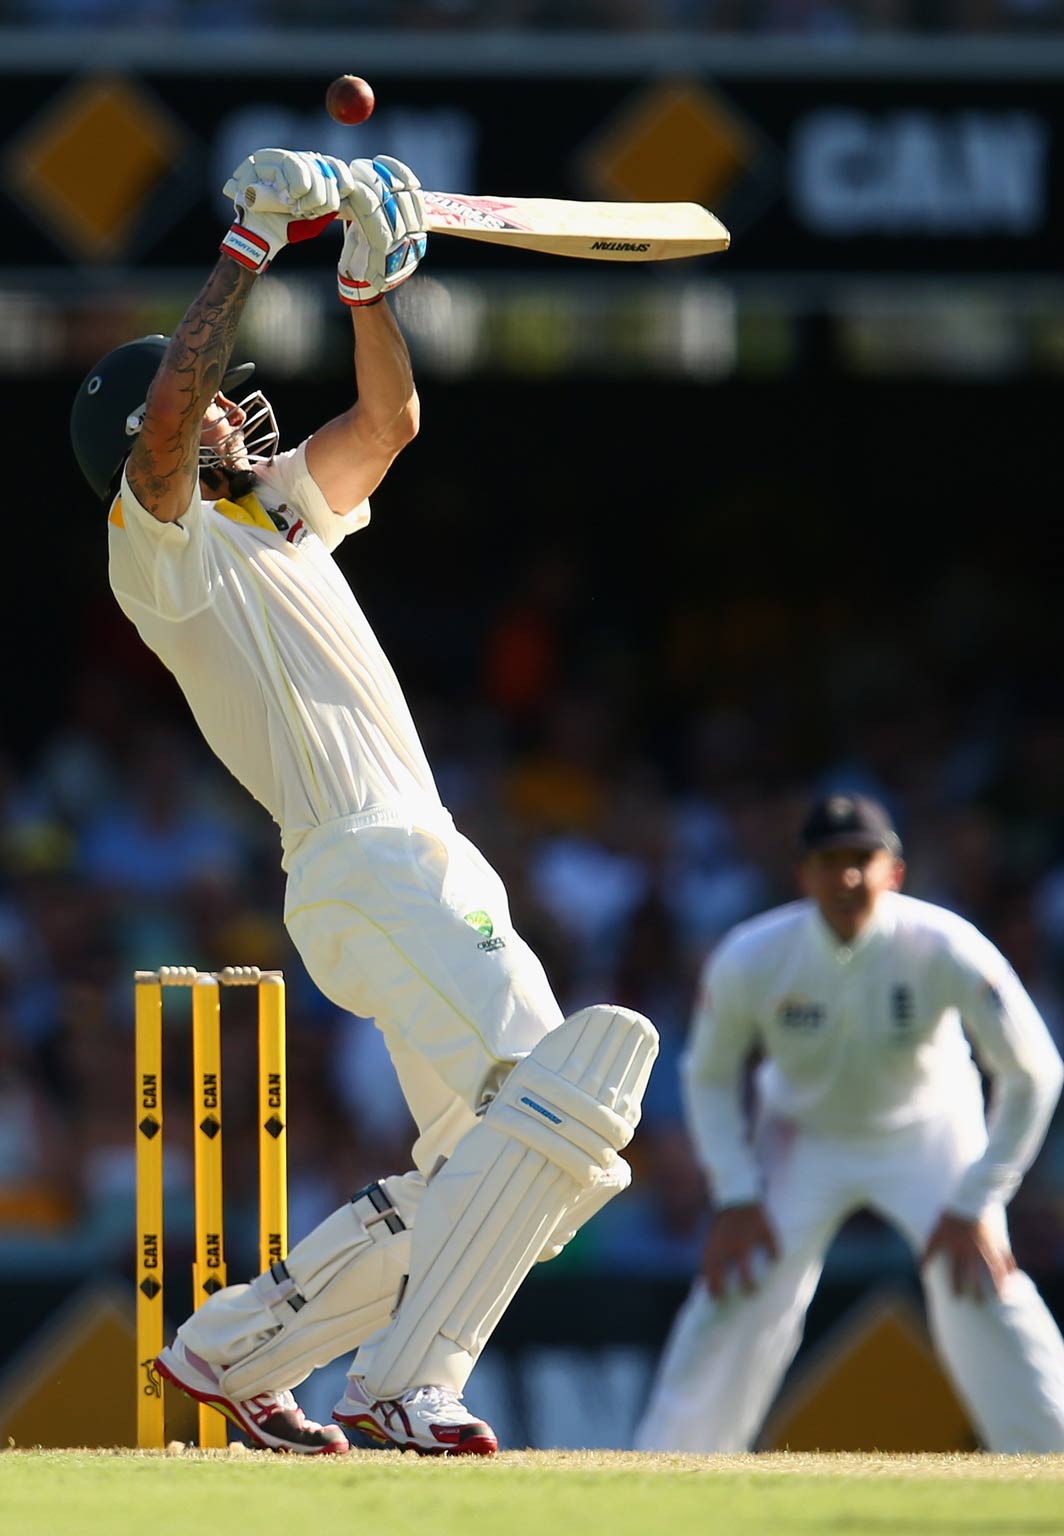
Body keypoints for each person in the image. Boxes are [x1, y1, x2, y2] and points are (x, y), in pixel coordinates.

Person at [70, 148, 658, 1456]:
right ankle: (404, 1382)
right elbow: (169, 425)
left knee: (513, 1180)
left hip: (421, 865)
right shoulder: (154, 547)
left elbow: (386, 425)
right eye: (211, 398)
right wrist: (243, 249)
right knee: (583, 1084)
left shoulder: (279, 512)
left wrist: (364, 285)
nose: (232, 409)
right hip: (362, 863)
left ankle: (234, 1350)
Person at [632, 795, 1064, 1454]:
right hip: (801, 1138)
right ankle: (665, 1477)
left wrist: (978, 1198)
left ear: (895, 872)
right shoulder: (753, 957)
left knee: (984, 1290)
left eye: (862, 860)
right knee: (735, 1292)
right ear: (804, 875)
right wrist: (736, 1191)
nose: (846, 877)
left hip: (928, 1133)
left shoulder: (945, 947)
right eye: (830, 861)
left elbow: (1035, 1070)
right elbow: (707, 1073)